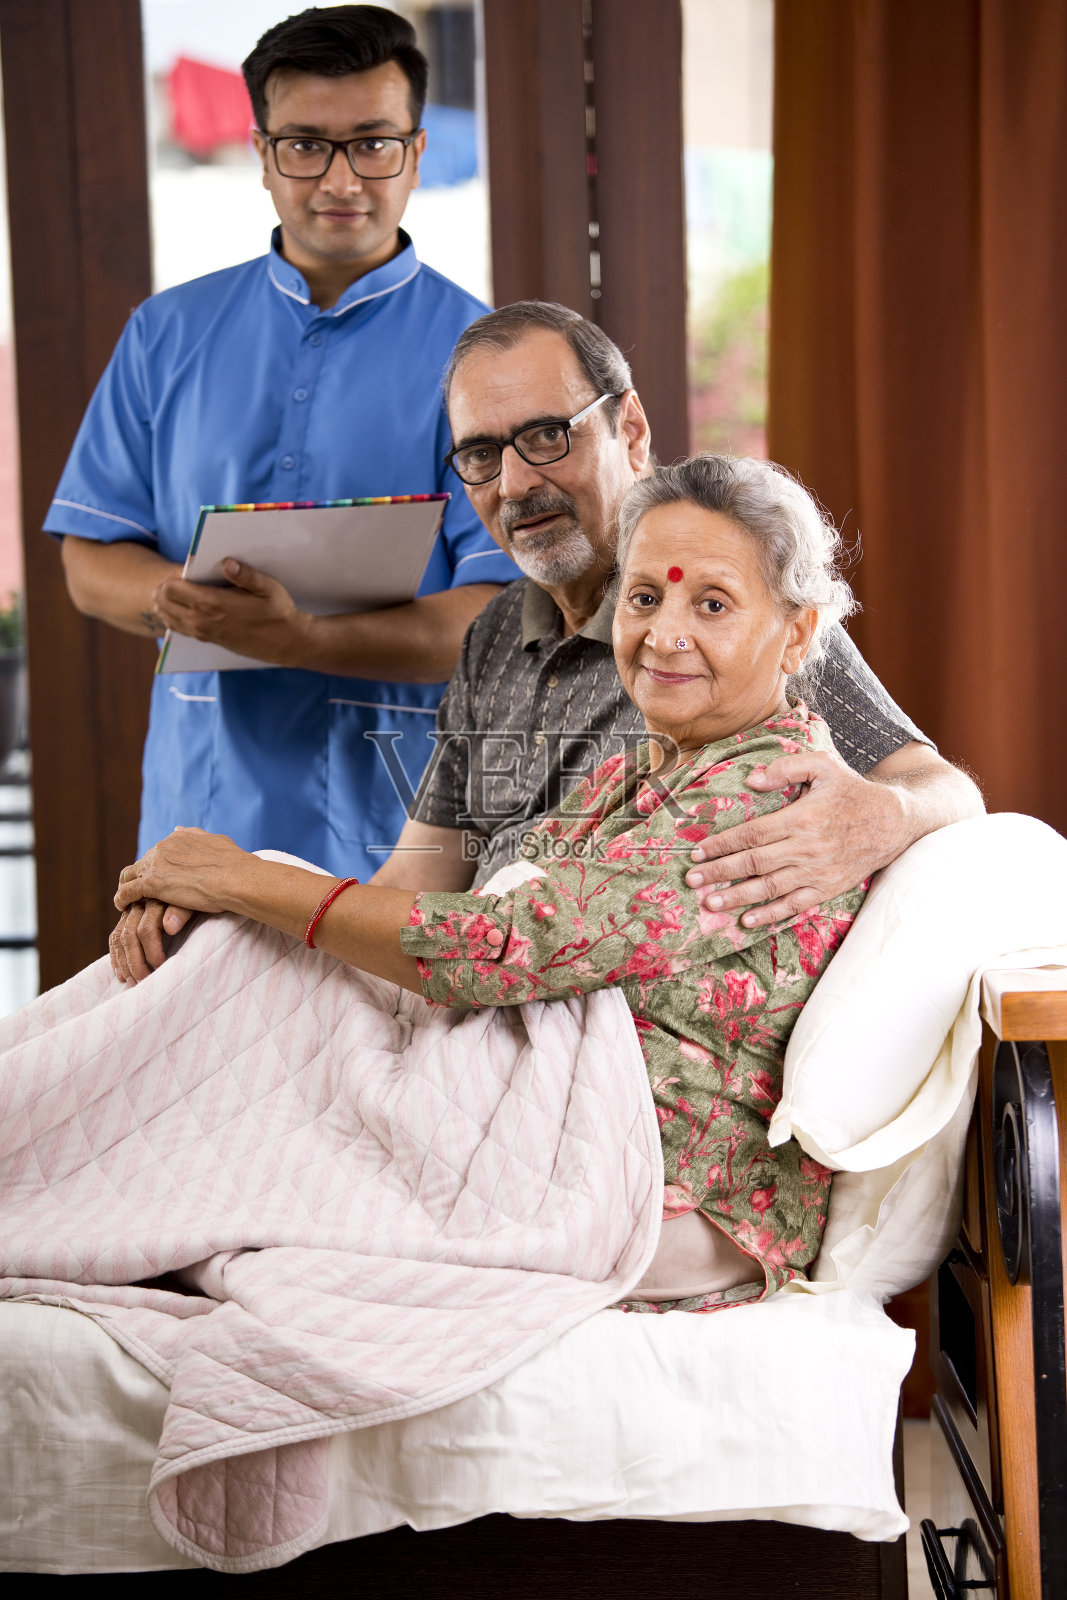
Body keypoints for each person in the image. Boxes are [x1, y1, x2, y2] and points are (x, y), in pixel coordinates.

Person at [106, 453, 868, 1307]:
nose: (663, 635)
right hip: (546, 1129)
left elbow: (505, 948)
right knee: (231, 975)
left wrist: (244, 880)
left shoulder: (765, 792)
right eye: (646, 598)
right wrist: (233, 894)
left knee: (217, 1099)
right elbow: (447, 899)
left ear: (798, 634)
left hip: (657, 1188)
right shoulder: (647, 764)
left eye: (713, 604)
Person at [45, 6, 518, 880]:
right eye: (305, 144)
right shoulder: (164, 334)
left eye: (372, 143)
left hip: (398, 832)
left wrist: (300, 638)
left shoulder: (486, 357)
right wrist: (177, 602)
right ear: (263, 155)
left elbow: (497, 620)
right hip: (198, 815)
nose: (340, 179)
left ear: (415, 153)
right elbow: (88, 559)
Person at [369, 300, 984, 920]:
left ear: (630, 430)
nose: (514, 484)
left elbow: (947, 793)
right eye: (480, 454)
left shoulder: (745, 623)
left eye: (546, 437)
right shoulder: (493, 631)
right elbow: (418, 871)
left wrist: (880, 816)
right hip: (464, 980)